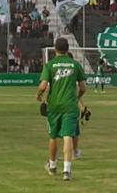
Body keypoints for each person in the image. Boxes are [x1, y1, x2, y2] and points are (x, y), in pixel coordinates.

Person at [36, 37, 86, 181]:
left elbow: (43, 85)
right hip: (70, 106)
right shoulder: (75, 65)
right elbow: (83, 88)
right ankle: (67, 171)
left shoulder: (50, 65)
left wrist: (38, 95)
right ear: (68, 49)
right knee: (68, 136)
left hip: (54, 106)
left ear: (55, 49)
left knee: (53, 136)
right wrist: (77, 98)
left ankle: (52, 167)